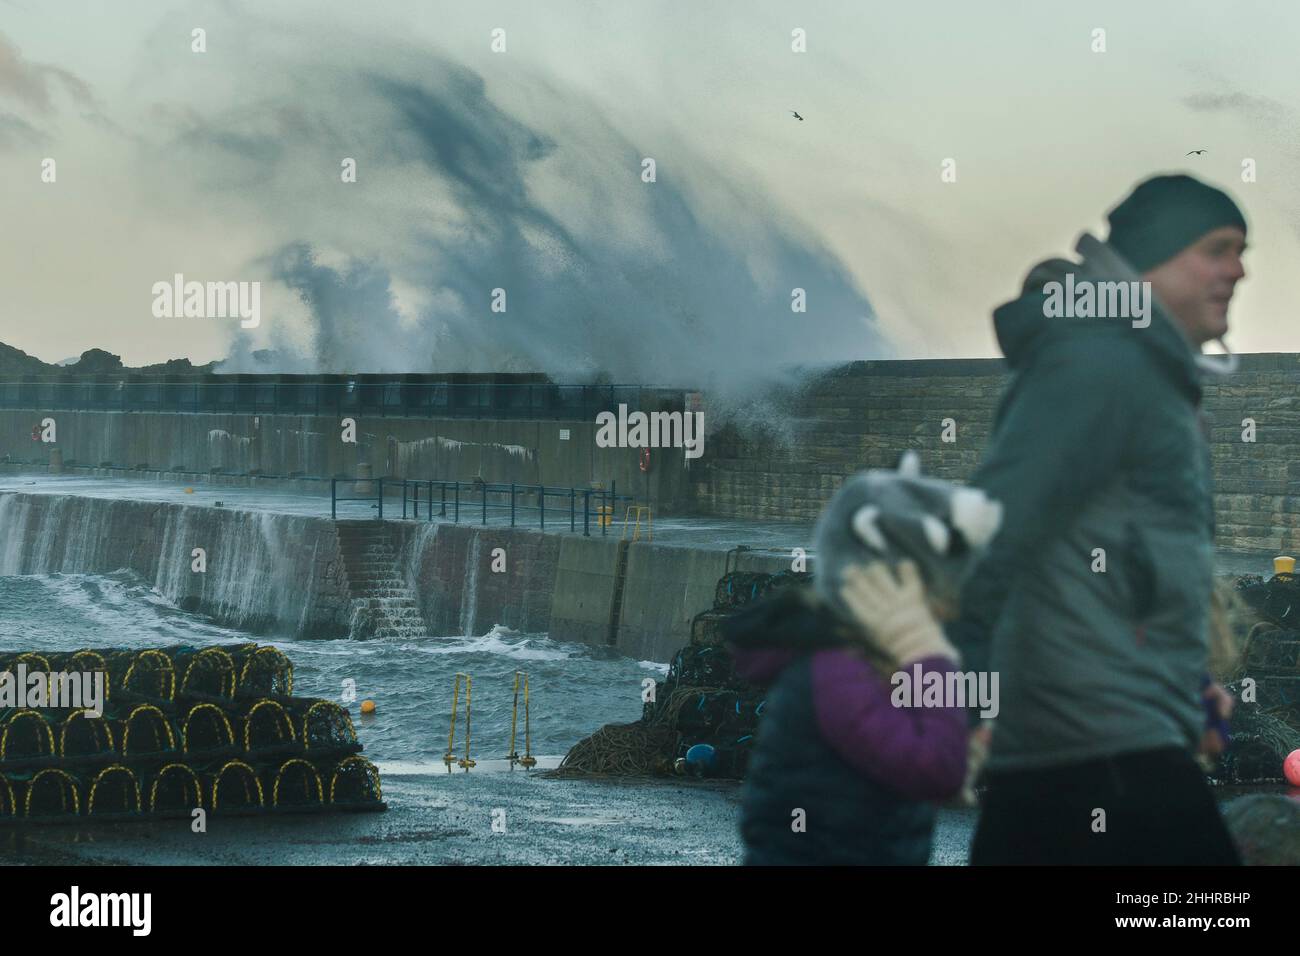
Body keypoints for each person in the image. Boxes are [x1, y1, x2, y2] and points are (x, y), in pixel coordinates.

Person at [950, 173, 1248, 865]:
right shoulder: (1101, 365)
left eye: (1242, 250)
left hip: (1108, 743)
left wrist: (1189, 690)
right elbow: (991, 535)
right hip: (1096, 752)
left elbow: (1125, 564)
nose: (1239, 269)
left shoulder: (1145, 372)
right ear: (1151, 260)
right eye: (1218, 249)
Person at [725, 452, 1002, 864]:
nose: (948, 609)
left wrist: (956, 754)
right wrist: (926, 649)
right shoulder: (839, 671)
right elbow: (935, 769)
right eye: (941, 589)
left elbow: (915, 768)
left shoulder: (860, 661)